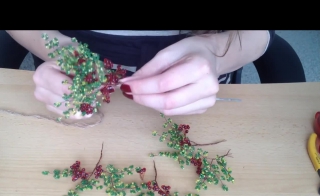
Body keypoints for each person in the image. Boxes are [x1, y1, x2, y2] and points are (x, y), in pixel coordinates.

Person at [5, 30, 306, 118]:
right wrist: (57, 48)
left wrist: (214, 52)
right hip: (68, 117)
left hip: (204, 111)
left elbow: (259, 34)